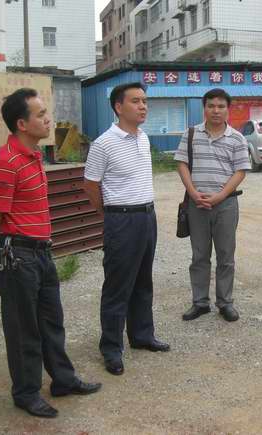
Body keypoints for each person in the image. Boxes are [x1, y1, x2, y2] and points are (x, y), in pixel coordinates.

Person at [0, 88, 101, 418]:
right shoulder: (6, 163)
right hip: (18, 256)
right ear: (22, 124)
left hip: (41, 252)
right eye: (41, 114)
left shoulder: (33, 155)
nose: (48, 119)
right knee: (24, 329)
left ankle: (63, 379)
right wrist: (1, 232)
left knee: (51, 321)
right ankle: (26, 392)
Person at [84, 82, 169, 377]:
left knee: (143, 281)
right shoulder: (103, 143)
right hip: (121, 220)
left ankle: (142, 335)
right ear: (118, 107)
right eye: (136, 101)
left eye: (145, 101)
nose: (143, 106)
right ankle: (111, 347)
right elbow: (90, 184)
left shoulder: (143, 138)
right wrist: (108, 213)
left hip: (147, 216)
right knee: (117, 285)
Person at [175, 88, 251, 322]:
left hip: (226, 205)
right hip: (196, 204)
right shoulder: (190, 134)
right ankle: (200, 303)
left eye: (220, 106)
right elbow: (182, 164)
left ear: (228, 109)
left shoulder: (237, 138)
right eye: (211, 106)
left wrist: (220, 196)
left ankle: (225, 302)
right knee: (199, 255)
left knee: (226, 255)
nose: (215, 110)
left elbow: (240, 171)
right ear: (204, 108)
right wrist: (192, 193)